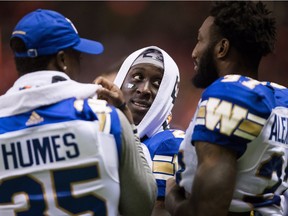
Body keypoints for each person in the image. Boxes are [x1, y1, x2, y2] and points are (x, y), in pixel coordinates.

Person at [0, 9, 157, 216]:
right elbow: (142, 207)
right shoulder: (106, 118)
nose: (80, 63)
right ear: (62, 60)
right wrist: (129, 126)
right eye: (78, 56)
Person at [165, 1, 288, 216]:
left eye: (200, 40)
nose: (194, 52)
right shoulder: (282, 100)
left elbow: (208, 210)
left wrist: (172, 199)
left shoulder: (229, 92)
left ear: (221, 48)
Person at [95, 46, 185, 216]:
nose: (144, 89)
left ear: (168, 95)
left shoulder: (169, 143)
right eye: (137, 77)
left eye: (157, 83)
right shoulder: (111, 133)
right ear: (120, 82)